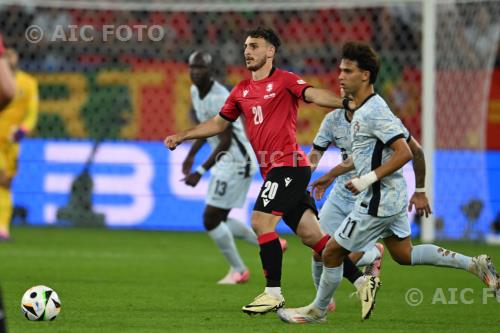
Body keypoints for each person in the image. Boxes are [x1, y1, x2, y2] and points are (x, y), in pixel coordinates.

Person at [277, 41, 500, 324]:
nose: (340, 76)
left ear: (365, 75)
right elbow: (411, 150)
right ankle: (475, 265)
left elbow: (405, 152)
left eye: (347, 71)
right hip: (392, 197)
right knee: (405, 255)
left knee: (330, 252)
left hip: (376, 200)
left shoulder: (373, 112)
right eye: (340, 70)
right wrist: (418, 191)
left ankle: (317, 311)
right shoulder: (369, 109)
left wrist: (366, 179)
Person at [165, 27, 374, 315]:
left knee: (260, 222)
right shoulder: (240, 90)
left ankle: (272, 292)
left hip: (288, 165)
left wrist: (346, 102)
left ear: (270, 51)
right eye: (246, 46)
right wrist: (182, 135)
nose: (247, 51)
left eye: (254, 46)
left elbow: (312, 94)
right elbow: (217, 124)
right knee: (313, 236)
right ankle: (363, 281)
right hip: (275, 170)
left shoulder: (285, 80)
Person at [307, 89, 431, 314]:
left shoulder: (378, 117)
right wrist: (306, 173)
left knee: (338, 254)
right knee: (318, 249)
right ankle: (324, 301)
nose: (345, 88)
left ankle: (372, 254)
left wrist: (420, 189)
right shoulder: (333, 120)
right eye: (342, 83)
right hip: (340, 193)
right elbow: (316, 153)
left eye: (348, 76)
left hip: (367, 195)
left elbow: (409, 152)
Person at [182, 50, 280, 285]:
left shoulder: (219, 97)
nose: (196, 72)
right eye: (192, 67)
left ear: (211, 71)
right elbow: (207, 128)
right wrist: (190, 156)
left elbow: (224, 140)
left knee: (211, 218)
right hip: (227, 159)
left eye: (201, 67)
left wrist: (200, 171)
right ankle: (268, 242)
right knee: (220, 216)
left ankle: (239, 270)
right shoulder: (195, 91)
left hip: (235, 159)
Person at [0, 48, 39, 240]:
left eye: (12, 57)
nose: (9, 60)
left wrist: (23, 130)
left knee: (6, 184)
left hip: (12, 141)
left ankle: (3, 228)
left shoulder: (29, 83)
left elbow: (32, 113)